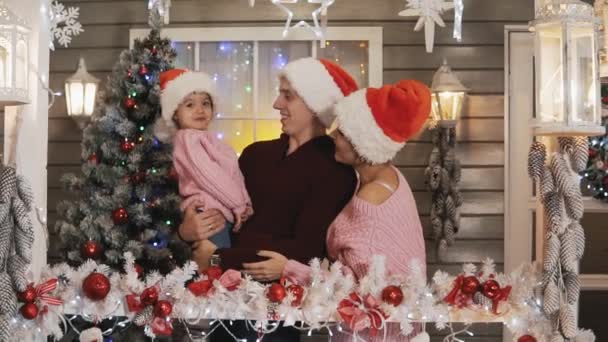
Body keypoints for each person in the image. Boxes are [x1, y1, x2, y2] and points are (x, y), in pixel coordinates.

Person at [178, 57, 359, 341]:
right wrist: (186, 230)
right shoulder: (254, 155)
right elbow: (218, 211)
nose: (277, 104)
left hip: (276, 311)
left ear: (314, 105)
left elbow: (304, 251)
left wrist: (217, 258)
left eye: (287, 96)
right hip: (224, 304)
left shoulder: (335, 170)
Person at [242, 80, 431, 341]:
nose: (333, 138)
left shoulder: (371, 200)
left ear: (362, 145)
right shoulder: (388, 178)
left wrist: (287, 269)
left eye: (341, 133)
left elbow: (356, 285)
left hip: (372, 333)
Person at [154, 69, 253, 255]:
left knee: (228, 261)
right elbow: (208, 175)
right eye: (190, 105)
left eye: (205, 103)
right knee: (216, 263)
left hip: (225, 210)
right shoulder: (187, 139)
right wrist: (238, 204)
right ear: (175, 114)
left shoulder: (213, 141)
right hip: (207, 213)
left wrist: (245, 204)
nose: (200, 110)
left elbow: (233, 175)